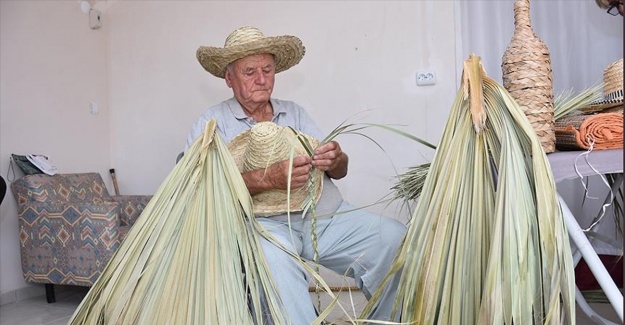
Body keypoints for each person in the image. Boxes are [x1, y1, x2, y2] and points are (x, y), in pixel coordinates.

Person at [185, 26, 406, 324]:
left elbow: (339, 171)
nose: (261, 79)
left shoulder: (295, 113)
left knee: (392, 237)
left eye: (267, 69)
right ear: (229, 78)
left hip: (323, 216)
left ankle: (385, 321)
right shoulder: (212, 123)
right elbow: (195, 186)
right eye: (249, 71)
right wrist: (268, 179)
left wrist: (336, 158)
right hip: (264, 226)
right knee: (276, 263)